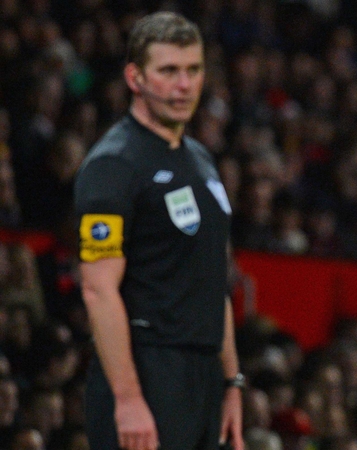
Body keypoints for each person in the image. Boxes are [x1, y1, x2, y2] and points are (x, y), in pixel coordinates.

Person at [74, 12, 243, 450]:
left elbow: (213, 278)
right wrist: (128, 399)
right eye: (168, 71)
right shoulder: (114, 165)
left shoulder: (201, 160)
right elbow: (98, 290)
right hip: (149, 373)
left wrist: (230, 382)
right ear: (135, 77)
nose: (184, 85)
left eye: (193, 70)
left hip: (203, 380)